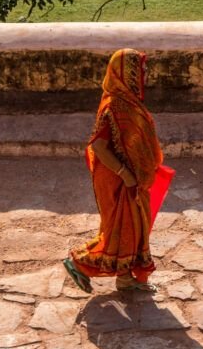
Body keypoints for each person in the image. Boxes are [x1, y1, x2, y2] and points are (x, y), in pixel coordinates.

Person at [63, 48, 163, 294]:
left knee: (134, 225)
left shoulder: (128, 101)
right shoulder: (114, 105)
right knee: (120, 227)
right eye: (141, 70)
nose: (145, 75)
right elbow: (98, 145)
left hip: (130, 177)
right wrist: (125, 174)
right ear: (125, 73)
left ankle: (126, 278)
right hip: (117, 176)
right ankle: (80, 263)